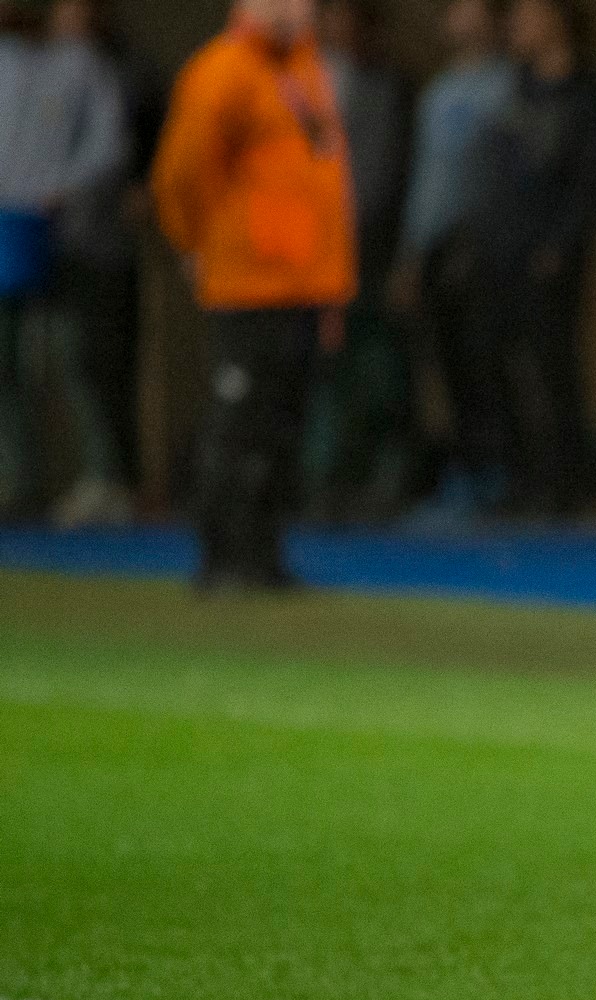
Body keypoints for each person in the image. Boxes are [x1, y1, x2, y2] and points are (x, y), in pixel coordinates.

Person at [151, 0, 355, 589]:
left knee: (280, 430)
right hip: (247, 284)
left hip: (304, 284)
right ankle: (222, 557)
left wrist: (332, 279)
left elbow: (320, 174)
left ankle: (263, 555)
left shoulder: (306, 69)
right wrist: (195, 243)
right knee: (238, 423)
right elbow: (181, 173)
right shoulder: (222, 70)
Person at [458, 0, 596, 516]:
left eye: (528, 15)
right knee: (495, 363)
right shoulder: (513, 92)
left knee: (552, 366)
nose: (518, 26)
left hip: (549, 258)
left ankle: (566, 482)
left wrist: (561, 245)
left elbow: (592, 183)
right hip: (499, 252)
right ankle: (518, 477)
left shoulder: (588, 97)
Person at [0, 0, 127, 522]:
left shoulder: (80, 64)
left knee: (73, 360)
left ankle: (102, 479)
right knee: (7, 362)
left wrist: (64, 188)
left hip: (70, 240)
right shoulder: (5, 60)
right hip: (8, 229)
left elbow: (109, 144)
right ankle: (18, 480)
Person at [392, 0, 511, 518]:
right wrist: (411, 255)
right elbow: (426, 182)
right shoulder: (438, 94)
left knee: (490, 363)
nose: (462, 19)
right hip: (438, 252)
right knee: (451, 365)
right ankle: (466, 472)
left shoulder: (511, 87)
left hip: (488, 247)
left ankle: (501, 473)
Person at [44, 0, 152, 528]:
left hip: (103, 247)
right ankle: (103, 476)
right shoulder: (43, 72)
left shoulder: (125, 74)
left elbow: (122, 146)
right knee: (69, 361)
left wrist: (141, 185)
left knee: (104, 362)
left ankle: (115, 478)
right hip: (51, 243)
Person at [308, 0, 410, 521]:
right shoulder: (301, 85)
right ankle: (323, 482)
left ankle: (383, 479)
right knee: (322, 368)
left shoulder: (390, 88)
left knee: (378, 367)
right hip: (312, 252)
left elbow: (391, 176)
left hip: (371, 251)